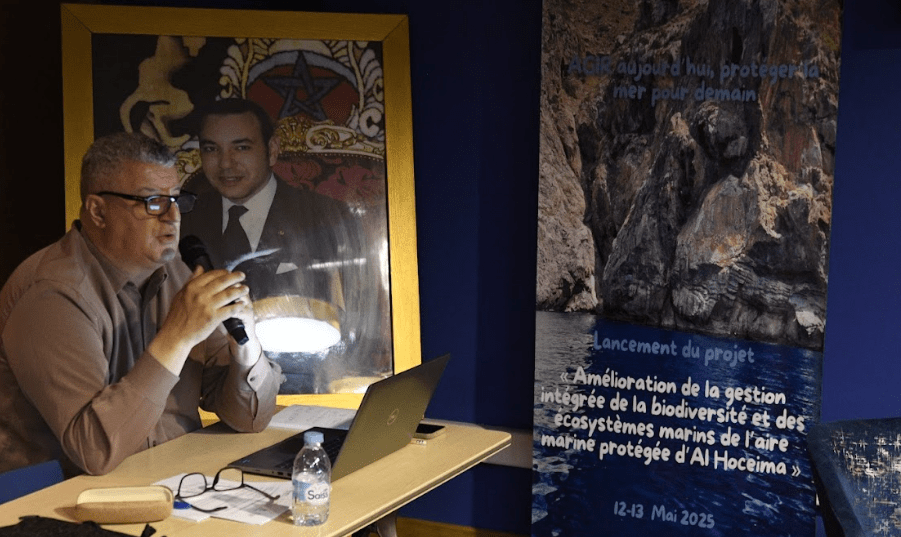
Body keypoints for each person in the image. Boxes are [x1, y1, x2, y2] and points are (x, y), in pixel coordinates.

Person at [0, 132, 282, 477]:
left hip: (173, 481)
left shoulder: (179, 273)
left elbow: (250, 418)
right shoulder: (51, 294)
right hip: (59, 499)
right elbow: (94, 451)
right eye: (153, 202)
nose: (172, 216)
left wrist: (246, 345)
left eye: (176, 199)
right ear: (98, 211)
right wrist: (176, 338)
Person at [180, 98, 377, 393]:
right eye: (211, 149)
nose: (225, 164)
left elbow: (361, 320)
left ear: (271, 150)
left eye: (241, 148)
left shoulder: (327, 217)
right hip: (210, 389)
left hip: (309, 382)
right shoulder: (183, 222)